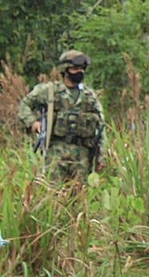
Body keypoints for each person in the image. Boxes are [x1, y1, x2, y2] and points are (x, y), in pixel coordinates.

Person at [18, 50, 106, 180]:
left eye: (82, 69)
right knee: (53, 190)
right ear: (65, 70)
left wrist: (101, 156)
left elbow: (101, 126)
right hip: (55, 153)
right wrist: (33, 123)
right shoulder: (49, 91)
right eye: (75, 68)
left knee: (80, 191)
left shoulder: (90, 96)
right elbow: (25, 105)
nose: (80, 72)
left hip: (82, 156)